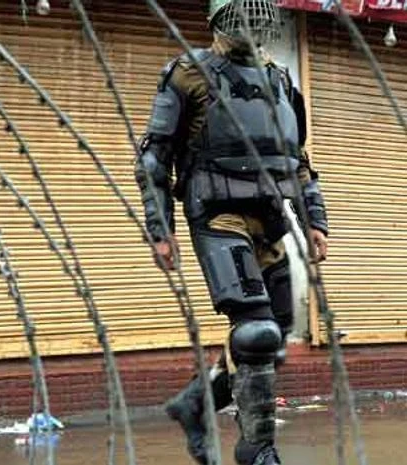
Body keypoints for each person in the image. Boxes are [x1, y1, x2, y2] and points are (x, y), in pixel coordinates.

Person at [134, 1, 329, 464]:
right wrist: (160, 229)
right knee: (256, 332)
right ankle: (258, 452)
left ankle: (196, 405)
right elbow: (153, 159)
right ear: (219, 18)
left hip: (269, 223)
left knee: (273, 341)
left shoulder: (281, 80)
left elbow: (296, 161)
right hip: (218, 217)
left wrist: (314, 220)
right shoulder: (188, 73)